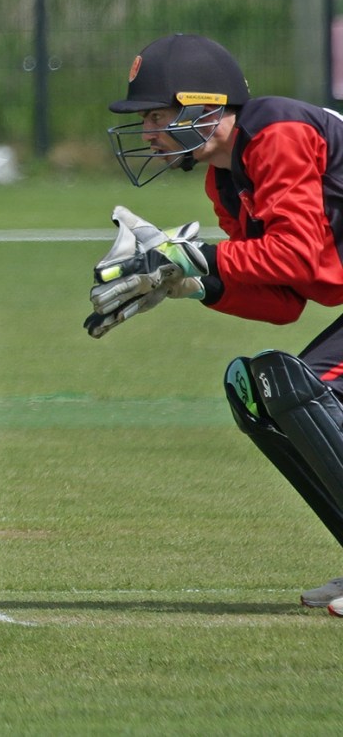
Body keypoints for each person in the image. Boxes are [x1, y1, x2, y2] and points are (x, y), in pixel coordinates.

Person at [86, 32, 343, 616]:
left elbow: (299, 256)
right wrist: (194, 286)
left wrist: (194, 257)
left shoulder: (278, 133)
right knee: (257, 393)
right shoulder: (223, 178)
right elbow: (286, 298)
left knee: (306, 392)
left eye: (157, 115)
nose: (148, 132)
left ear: (205, 105)